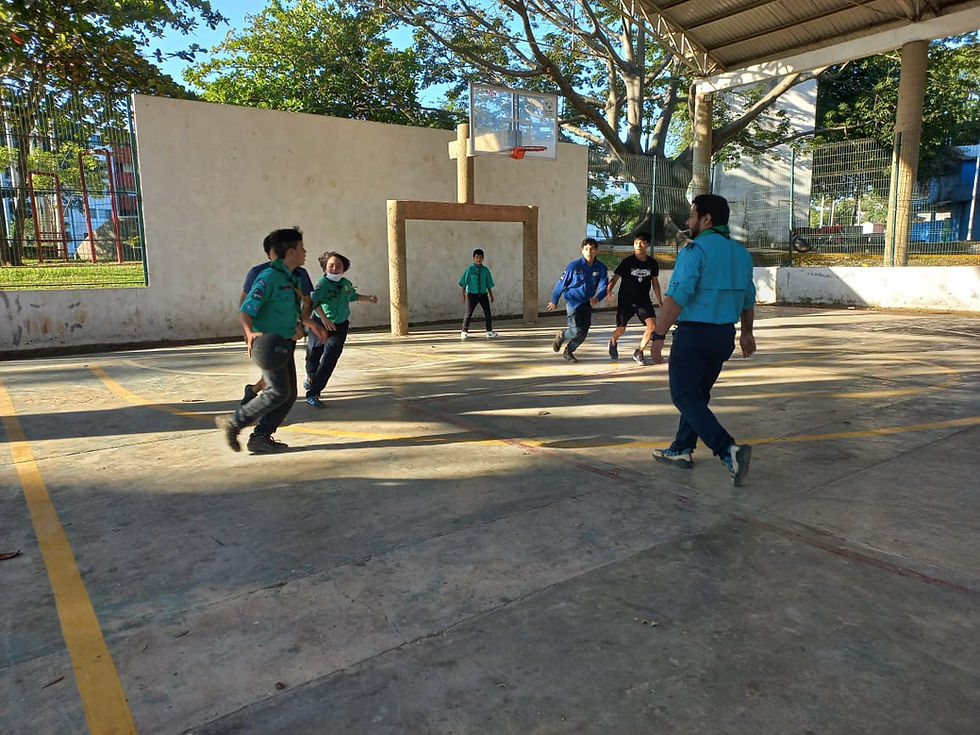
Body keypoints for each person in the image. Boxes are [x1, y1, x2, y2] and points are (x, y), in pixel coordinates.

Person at [648, 194, 756, 486]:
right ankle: (682, 448)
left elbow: (676, 297)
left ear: (706, 219)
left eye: (692, 215)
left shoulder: (695, 250)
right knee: (697, 395)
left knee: (683, 396)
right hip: (724, 336)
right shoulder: (740, 253)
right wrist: (747, 332)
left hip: (694, 334)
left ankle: (728, 449)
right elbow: (748, 299)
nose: (688, 220)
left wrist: (658, 334)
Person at [216, 227, 313, 454]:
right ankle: (235, 422)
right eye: (301, 247)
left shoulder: (292, 279)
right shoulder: (267, 277)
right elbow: (246, 309)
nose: (305, 252)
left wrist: (298, 326)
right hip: (268, 343)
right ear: (290, 251)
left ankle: (260, 437)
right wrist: (249, 334)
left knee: (288, 396)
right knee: (278, 392)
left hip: (284, 342)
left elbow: (289, 311)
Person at [240, 232, 319, 405]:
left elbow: (307, 302)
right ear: (270, 254)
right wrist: (249, 333)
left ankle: (253, 392)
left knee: (279, 380)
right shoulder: (259, 273)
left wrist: (302, 322)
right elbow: (245, 303)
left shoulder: (300, 274)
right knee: (279, 384)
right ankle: (256, 423)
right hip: (264, 335)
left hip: (287, 333)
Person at [304, 251, 378, 408]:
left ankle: (313, 393)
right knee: (313, 354)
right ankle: (311, 376)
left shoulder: (345, 284)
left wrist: (368, 298)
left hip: (340, 326)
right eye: (331, 265)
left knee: (329, 359)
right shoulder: (322, 284)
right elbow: (314, 302)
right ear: (325, 268)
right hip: (320, 324)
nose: (335, 268)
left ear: (344, 268)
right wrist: (324, 319)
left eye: (338, 265)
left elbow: (352, 296)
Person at [547, 238, 608, 362]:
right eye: (586, 249)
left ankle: (569, 351)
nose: (589, 252)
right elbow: (561, 283)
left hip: (587, 303)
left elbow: (603, 286)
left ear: (596, 251)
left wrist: (597, 298)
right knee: (576, 330)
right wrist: (554, 300)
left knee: (583, 333)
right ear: (582, 250)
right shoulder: (574, 266)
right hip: (573, 302)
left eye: (592, 249)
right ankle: (562, 335)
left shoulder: (601, 268)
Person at [605, 233, 663, 365]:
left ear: (647, 244)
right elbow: (614, 279)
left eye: (642, 243)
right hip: (626, 300)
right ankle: (613, 341)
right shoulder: (627, 262)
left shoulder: (652, 263)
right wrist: (608, 292)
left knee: (653, 326)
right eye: (636, 243)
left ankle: (639, 351)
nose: (638, 245)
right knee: (621, 330)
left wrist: (659, 300)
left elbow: (655, 282)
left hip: (643, 301)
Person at [458, 248, 497, 339]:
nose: (478, 259)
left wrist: (491, 295)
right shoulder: (470, 270)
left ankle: (489, 331)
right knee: (469, 313)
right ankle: (464, 331)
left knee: (487, 312)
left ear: (483, 258)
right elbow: (464, 283)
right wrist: (463, 295)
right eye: (477, 257)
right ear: (473, 258)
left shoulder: (485, 270)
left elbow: (488, 283)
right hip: (472, 295)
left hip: (483, 294)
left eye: (480, 257)